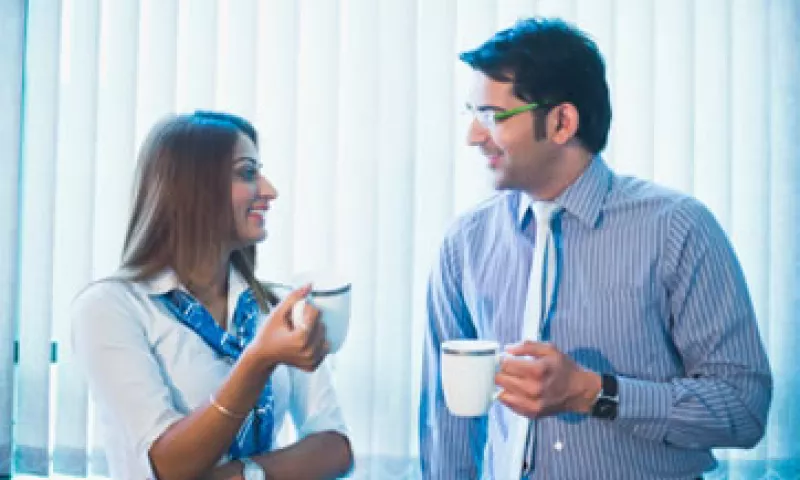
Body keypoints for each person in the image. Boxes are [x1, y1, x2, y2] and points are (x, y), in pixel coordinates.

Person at [419, 18, 772, 480]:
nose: (472, 135)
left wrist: (592, 392)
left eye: (492, 116)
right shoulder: (464, 243)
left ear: (562, 121)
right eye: (472, 113)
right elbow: (447, 424)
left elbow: (743, 408)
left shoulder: (678, 229)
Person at [71, 111, 353, 480]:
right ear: (193, 188)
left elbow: (335, 447)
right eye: (248, 173)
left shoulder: (276, 307)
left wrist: (242, 476)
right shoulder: (110, 309)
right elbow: (169, 465)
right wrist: (257, 360)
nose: (269, 191)